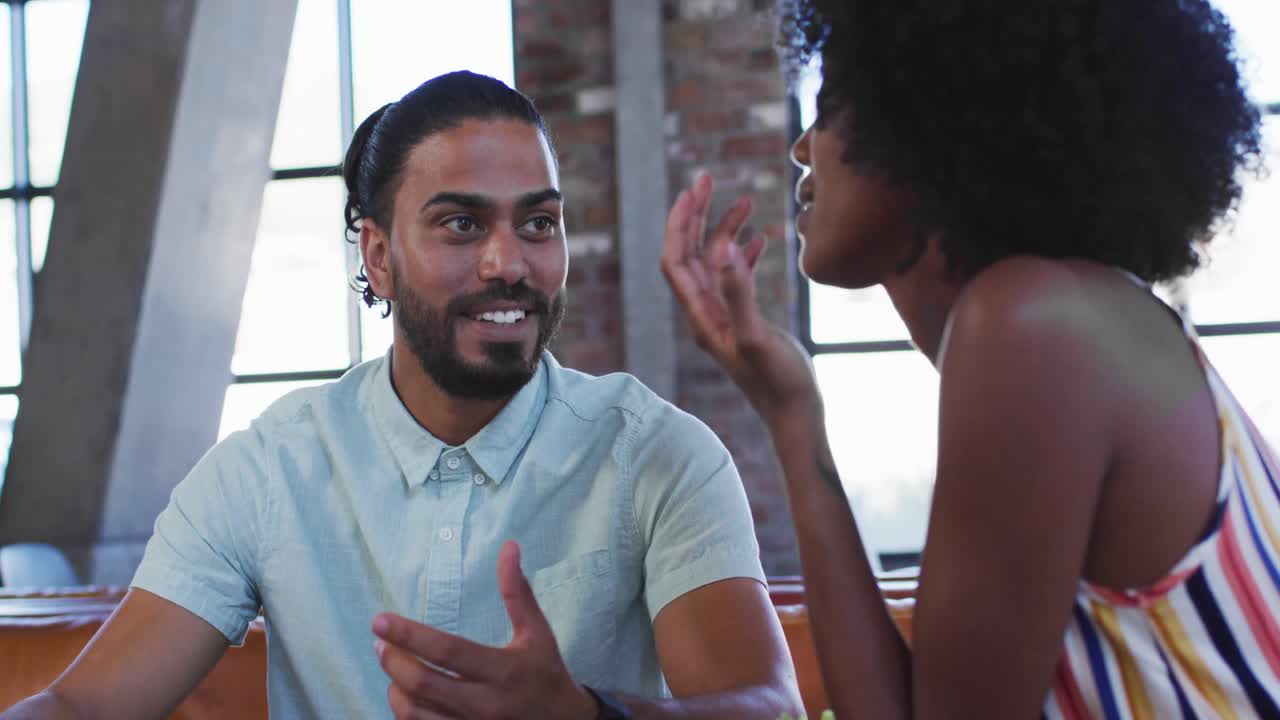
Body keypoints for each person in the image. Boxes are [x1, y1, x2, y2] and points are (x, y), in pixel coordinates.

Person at [3, 71, 801, 720]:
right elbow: (81, 706)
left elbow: (771, 709)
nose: (508, 264)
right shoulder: (267, 470)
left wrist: (591, 718)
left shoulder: (657, 453)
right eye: (461, 225)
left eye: (538, 224)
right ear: (378, 257)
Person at [663, 0, 1276, 717]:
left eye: (828, 107)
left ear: (926, 118)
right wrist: (791, 411)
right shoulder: (1096, 322)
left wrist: (796, 426)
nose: (803, 148)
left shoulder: (1032, 330)